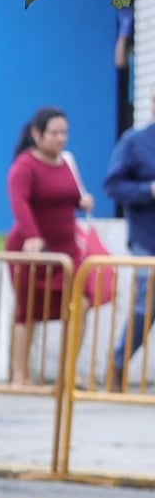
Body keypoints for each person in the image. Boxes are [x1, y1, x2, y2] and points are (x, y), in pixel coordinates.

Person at [7, 106, 90, 340]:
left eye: (64, 133)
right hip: (35, 252)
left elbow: (71, 196)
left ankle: (68, 373)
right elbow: (19, 202)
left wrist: (83, 201)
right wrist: (32, 236)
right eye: (54, 133)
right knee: (27, 312)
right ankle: (20, 375)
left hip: (66, 252)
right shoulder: (25, 166)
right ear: (37, 133)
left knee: (78, 306)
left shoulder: (66, 163)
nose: (60, 138)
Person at [104, 110, 155, 382]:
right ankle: (118, 363)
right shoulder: (134, 142)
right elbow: (113, 185)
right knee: (146, 302)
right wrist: (148, 190)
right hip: (147, 239)